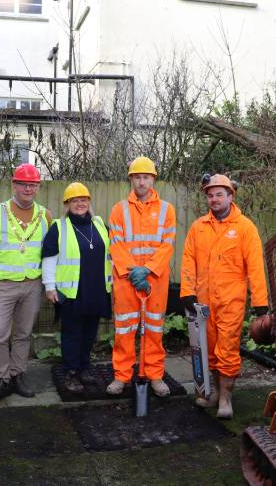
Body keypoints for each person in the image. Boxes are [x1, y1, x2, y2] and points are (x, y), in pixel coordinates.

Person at [180, 174, 269, 419]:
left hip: (231, 301)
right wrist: (188, 292)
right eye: (210, 195)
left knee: (227, 349)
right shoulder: (198, 227)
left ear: (231, 196)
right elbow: (188, 261)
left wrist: (261, 303)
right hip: (203, 301)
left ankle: (226, 398)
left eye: (219, 194)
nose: (214, 199)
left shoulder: (245, 228)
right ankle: (213, 393)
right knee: (207, 349)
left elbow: (255, 267)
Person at [0, 163, 53, 402]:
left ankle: (18, 375)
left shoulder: (45, 215)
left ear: (38, 187)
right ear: (14, 184)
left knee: (23, 334)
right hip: (3, 285)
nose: (28, 188)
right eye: (23, 183)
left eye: (32, 184)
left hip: (32, 285)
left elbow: (50, 250)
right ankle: (2, 379)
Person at [107, 156, 176, 397]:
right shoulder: (119, 209)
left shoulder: (167, 210)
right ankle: (122, 376)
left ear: (153, 180)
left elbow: (167, 244)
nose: (142, 181)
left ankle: (154, 374)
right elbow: (115, 243)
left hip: (155, 279)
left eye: (146, 177)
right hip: (126, 279)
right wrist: (132, 271)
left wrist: (147, 269)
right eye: (137, 177)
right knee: (124, 329)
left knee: (154, 328)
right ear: (132, 180)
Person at [41, 183, 112, 393]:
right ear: (67, 205)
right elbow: (49, 259)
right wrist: (49, 286)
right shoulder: (59, 227)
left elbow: (111, 256)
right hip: (71, 293)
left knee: (90, 332)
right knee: (72, 334)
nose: (80, 204)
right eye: (74, 201)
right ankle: (71, 373)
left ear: (89, 202)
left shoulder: (99, 225)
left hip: (97, 290)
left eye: (83, 200)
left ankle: (84, 368)